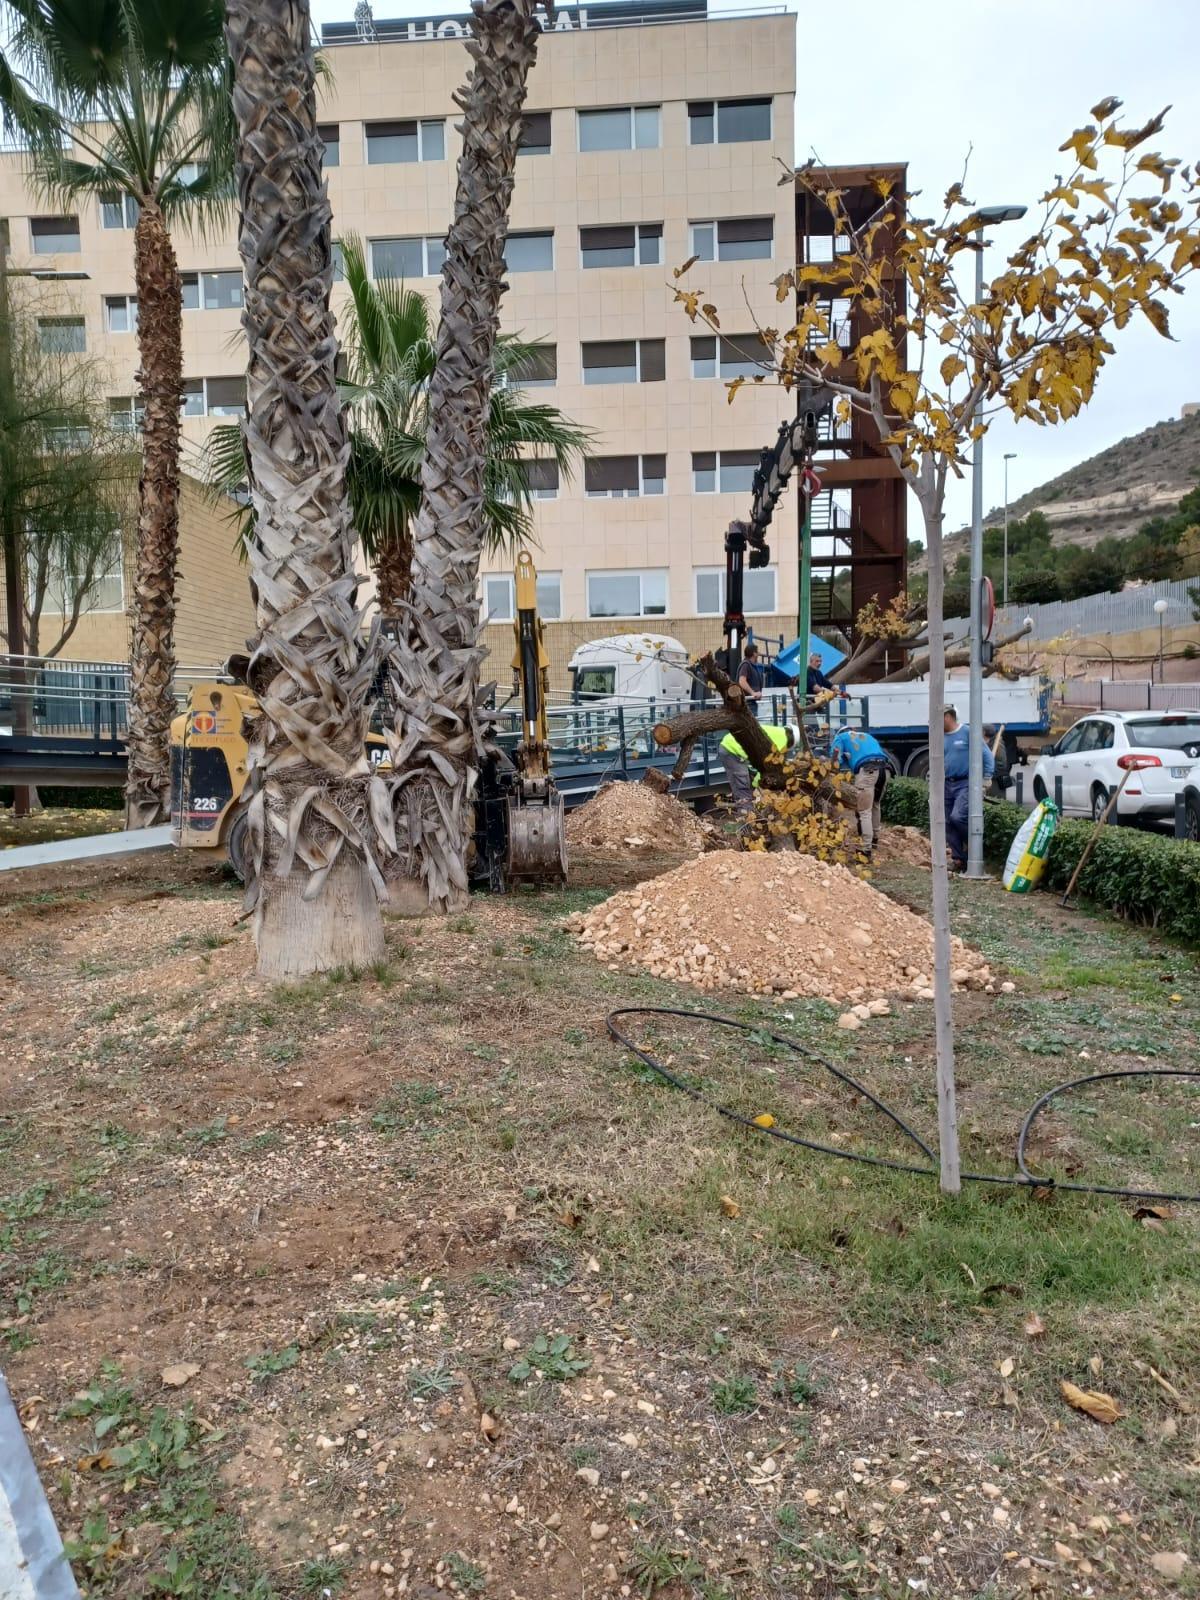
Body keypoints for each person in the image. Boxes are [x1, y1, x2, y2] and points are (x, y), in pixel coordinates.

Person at [943, 705, 993, 870]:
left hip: (965, 782)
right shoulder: (940, 736)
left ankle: (975, 848)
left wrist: (987, 778)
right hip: (947, 783)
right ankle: (959, 859)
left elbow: (986, 755)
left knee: (957, 816)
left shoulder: (967, 732)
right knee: (947, 822)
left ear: (948, 716)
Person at [830, 726, 891, 855]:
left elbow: (835, 759)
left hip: (868, 770)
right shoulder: (867, 736)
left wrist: (833, 772)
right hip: (885, 770)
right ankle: (875, 838)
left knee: (864, 811)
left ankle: (866, 850)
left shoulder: (840, 737)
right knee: (875, 804)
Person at [719, 722, 798, 813]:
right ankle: (746, 818)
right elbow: (764, 768)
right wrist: (757, 784)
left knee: (747, 781)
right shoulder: (779, 747)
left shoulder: (777, 732)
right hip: (731, 750)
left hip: (730, 744)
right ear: (791, 743)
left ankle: (749, 812)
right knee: (743, 786)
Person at [737, 644, 764, 718]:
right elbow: (742, 681)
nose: (758, 653)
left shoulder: (751, 665)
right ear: (754, 653)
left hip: (751, 702)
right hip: (748, 703)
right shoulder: (746, 665)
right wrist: (753, 693)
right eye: (757, 652)